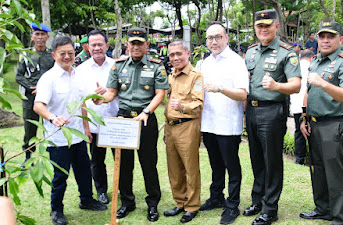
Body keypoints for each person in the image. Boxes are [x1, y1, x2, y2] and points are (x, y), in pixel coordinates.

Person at [93, 27, 169, 221]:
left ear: (146, 44)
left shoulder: (156, 66)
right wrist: (102, 100)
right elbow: (112, 93)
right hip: (124, 120)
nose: (136, 46)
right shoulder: (117, 66)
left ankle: (153, 204)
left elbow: (160, 93)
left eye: (140, 43)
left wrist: (146, 112)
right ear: (127, 44)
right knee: (123, 164)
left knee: (148, 164)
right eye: (132, 43)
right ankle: (127, 202)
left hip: (145, 119)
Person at [34, 36, 107, 225]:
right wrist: (52, 117)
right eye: (62, 54)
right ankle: (56, 210)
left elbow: (82, 102)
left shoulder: (78, 75)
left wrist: (85, 128)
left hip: (78, 136)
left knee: (84, 171)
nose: (67, 57)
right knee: (61, 177)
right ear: (54, 55)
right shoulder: (48, 79)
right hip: (58, 139)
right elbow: (38, 105)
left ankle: (86, 200)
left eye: (70, 53)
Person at [244, 10, 301, 225]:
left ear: (277, 26)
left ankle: (270, 208)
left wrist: (277, 86)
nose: (263, 29)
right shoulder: (249, 52)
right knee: (256, 158)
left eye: (268, 25)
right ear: (255, 28)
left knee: (272, 161)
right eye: (259, 26)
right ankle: (257, 200)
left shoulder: (287, 52)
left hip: (272, 111)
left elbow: (295, 85)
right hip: (251, 110)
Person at [299, 21, 343, 225]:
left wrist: (323, 83)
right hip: (314, 123)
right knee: (317, 169)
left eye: (330, 36)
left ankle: (341, 218)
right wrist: (304, 117)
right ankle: (322, 208)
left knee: (335, 173)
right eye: (321, 36)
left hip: (334, 124)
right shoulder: (316, 61)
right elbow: (308, 91)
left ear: (340, 39)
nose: (325, 40)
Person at [198, 21, 249, 225]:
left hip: (228, 123)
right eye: (210, 38)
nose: (214, 41)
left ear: (226, 38)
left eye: (218, 37)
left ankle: (232, 204)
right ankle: (216, 197)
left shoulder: (236, 61)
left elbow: (242, 94)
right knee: (215, 164)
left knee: (231, 165)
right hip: (208, 122)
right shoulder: (204, 63)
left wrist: (221, 88)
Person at [163, 40, 204, 223]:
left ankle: (192, 206)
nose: (175, 57)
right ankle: (180, 202)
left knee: (190, 168)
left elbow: (198, 104)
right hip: (170, 127)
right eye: (172, 55)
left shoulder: (195, 76)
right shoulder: (171, 75)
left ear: (188, 53)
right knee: (174, 169)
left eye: (179, 53)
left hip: (187, 126)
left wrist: (182, 107)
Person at [75, 30, 118, 205]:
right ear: (87, 47)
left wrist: (107, 93)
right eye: (93, 45)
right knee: (97, 161)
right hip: (94, 124)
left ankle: (122, 189)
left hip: (116, 122)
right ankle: (101, 191)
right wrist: (85, 127)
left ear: (107, 46)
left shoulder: (117, 65)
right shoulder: (81, 70)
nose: (97, 48)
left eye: (100, 44)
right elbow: (80, 100)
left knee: (120, 159)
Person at [15, 23, 54, 164]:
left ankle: (50, 155)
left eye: (43, 34)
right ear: (32, 37)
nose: (40, 37)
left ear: (47, 37)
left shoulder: (52, 55)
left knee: (49, 125)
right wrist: (32, 87)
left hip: (49, 98)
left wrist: (44, 89)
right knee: (30, 128)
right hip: (30, 97)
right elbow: (19, 76)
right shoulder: (25, 54)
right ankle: (28, 156)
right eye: (37, 34)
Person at [290, 49, 314, 165]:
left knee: (298, 132)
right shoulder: (312, 67)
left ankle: (299, 159)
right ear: (311, 58)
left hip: (295, 105)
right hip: (308, 105)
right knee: (310, 132)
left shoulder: (295, 66)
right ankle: (312, 158)